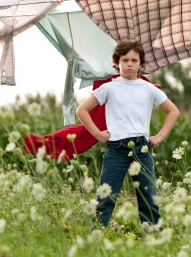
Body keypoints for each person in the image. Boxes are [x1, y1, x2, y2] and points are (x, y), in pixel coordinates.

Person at [76, 40, 180, 227]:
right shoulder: (109, 87)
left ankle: (152, 236)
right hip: (116, 148)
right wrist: (98, 134)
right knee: (105, 197)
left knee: (148, 197)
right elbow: (82, 110)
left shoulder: (149, 88)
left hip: (142, 148)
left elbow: (173, 111)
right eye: (125, 60)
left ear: (141, 64)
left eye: (134, 60)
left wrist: (159, 136)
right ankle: (97, 234)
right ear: (117, 63)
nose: (130, 64)